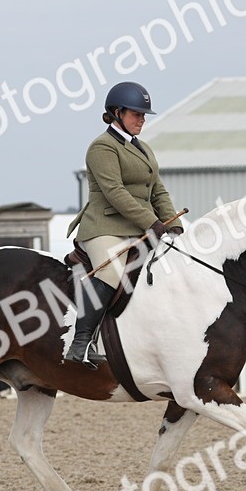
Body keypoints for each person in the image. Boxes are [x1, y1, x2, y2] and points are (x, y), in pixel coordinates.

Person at [64, 81, 183, 365]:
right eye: (136, 114)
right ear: (117, 113)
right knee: (111, 272)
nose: (142, 120)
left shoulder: (143, 148)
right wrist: (151, 221)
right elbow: (115, 193)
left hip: (139, 227)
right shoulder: (102, 147)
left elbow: (158, 190)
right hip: (105, 228)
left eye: (143, 115)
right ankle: (81, 343)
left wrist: (173, 223)